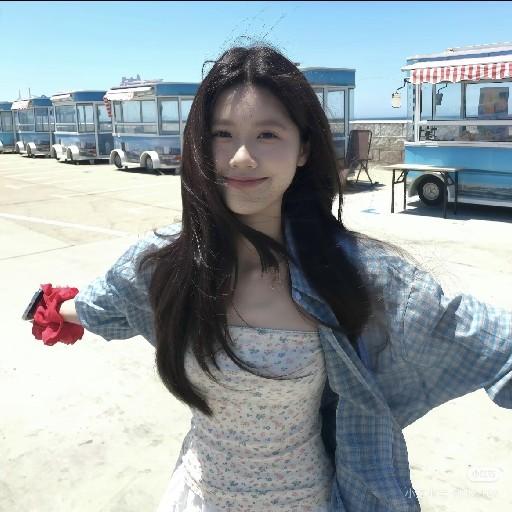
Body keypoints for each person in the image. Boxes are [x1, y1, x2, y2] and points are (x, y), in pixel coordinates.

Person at [30, 45, 512, 512]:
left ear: (303, 149)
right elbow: (103, 304)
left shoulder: (358, 274)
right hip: (195, 496)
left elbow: (490, 343)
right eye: (222, 134)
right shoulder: (167, 265)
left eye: (267, 134)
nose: (241, 157)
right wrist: (50, 307)